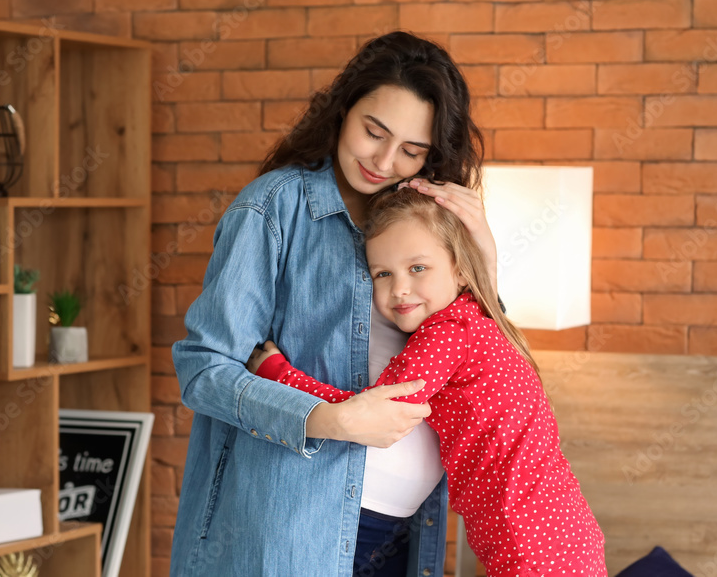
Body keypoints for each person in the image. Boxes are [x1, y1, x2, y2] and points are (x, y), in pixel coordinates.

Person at [171, 31, 495, 576]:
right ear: (343, 110)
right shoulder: (274, 209)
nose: (385, 160)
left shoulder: (431, 223)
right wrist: (329, 420)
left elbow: (480, 361)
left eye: (411, 151)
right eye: (374, 132)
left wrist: (484, 255)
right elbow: (203, 370)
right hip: (292, 534)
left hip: (408, 536)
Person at [249, 188, 607, 577]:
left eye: (418, 268)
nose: (399, 288)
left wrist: (280, 375)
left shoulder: (448, 333)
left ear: (460, 269)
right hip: (564, 526)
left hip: (529, 538)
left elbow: (372, 411)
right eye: (383, 274)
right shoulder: (479, 319)